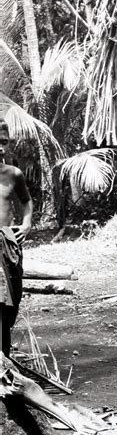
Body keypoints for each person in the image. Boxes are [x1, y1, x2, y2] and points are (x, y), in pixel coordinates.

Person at [0, 119, 33, 356]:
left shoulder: (14, 174)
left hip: (7, 248)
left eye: (4, 142)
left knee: (12, 302)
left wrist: (27, 223)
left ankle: (4, 361)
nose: (1, 148)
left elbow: (26, 201)